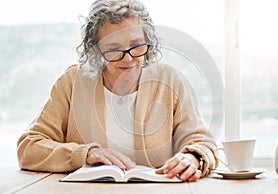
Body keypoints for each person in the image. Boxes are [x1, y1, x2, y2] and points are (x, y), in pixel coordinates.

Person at [17, 0, 218, 182]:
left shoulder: (169, 80)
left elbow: (203, 142)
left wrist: (193, 157)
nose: (128, 59)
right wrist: (84, 154)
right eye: (114, 49)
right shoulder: (72, 81)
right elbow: (29, 147)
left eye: (137, 45)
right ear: (94, 50)